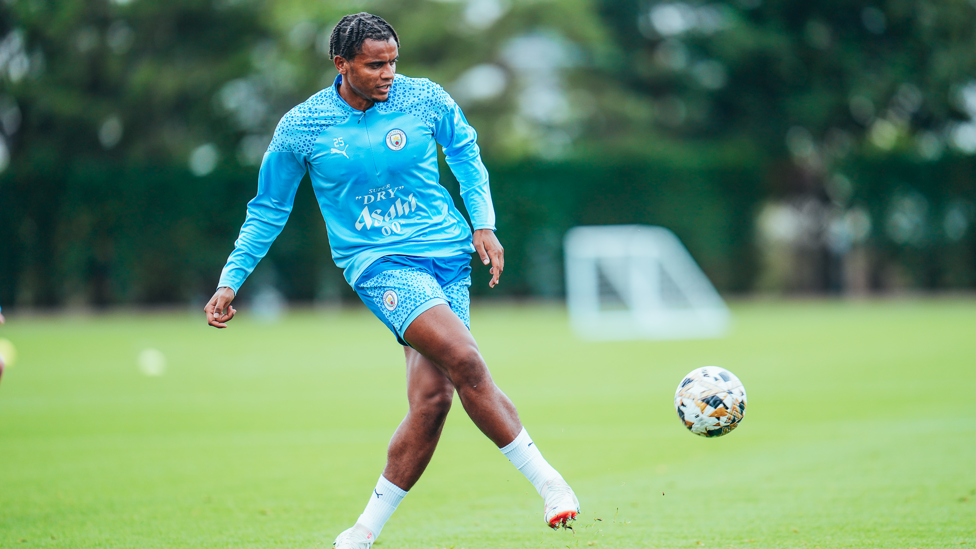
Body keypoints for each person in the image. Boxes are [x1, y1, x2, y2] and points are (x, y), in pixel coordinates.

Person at [205, 12, 579, 548]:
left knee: (433, 401)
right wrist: (230, 279)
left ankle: (361, 532)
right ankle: (551, 484)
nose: (388, 74)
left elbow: (467, 154)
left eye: (393, 62)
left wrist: (483, 223)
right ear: (342, 64)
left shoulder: (424, 98)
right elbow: (268, 209)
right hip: (380, 266)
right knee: (467, 359)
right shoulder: (303, 127)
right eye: (375, 64)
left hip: (447, 258)